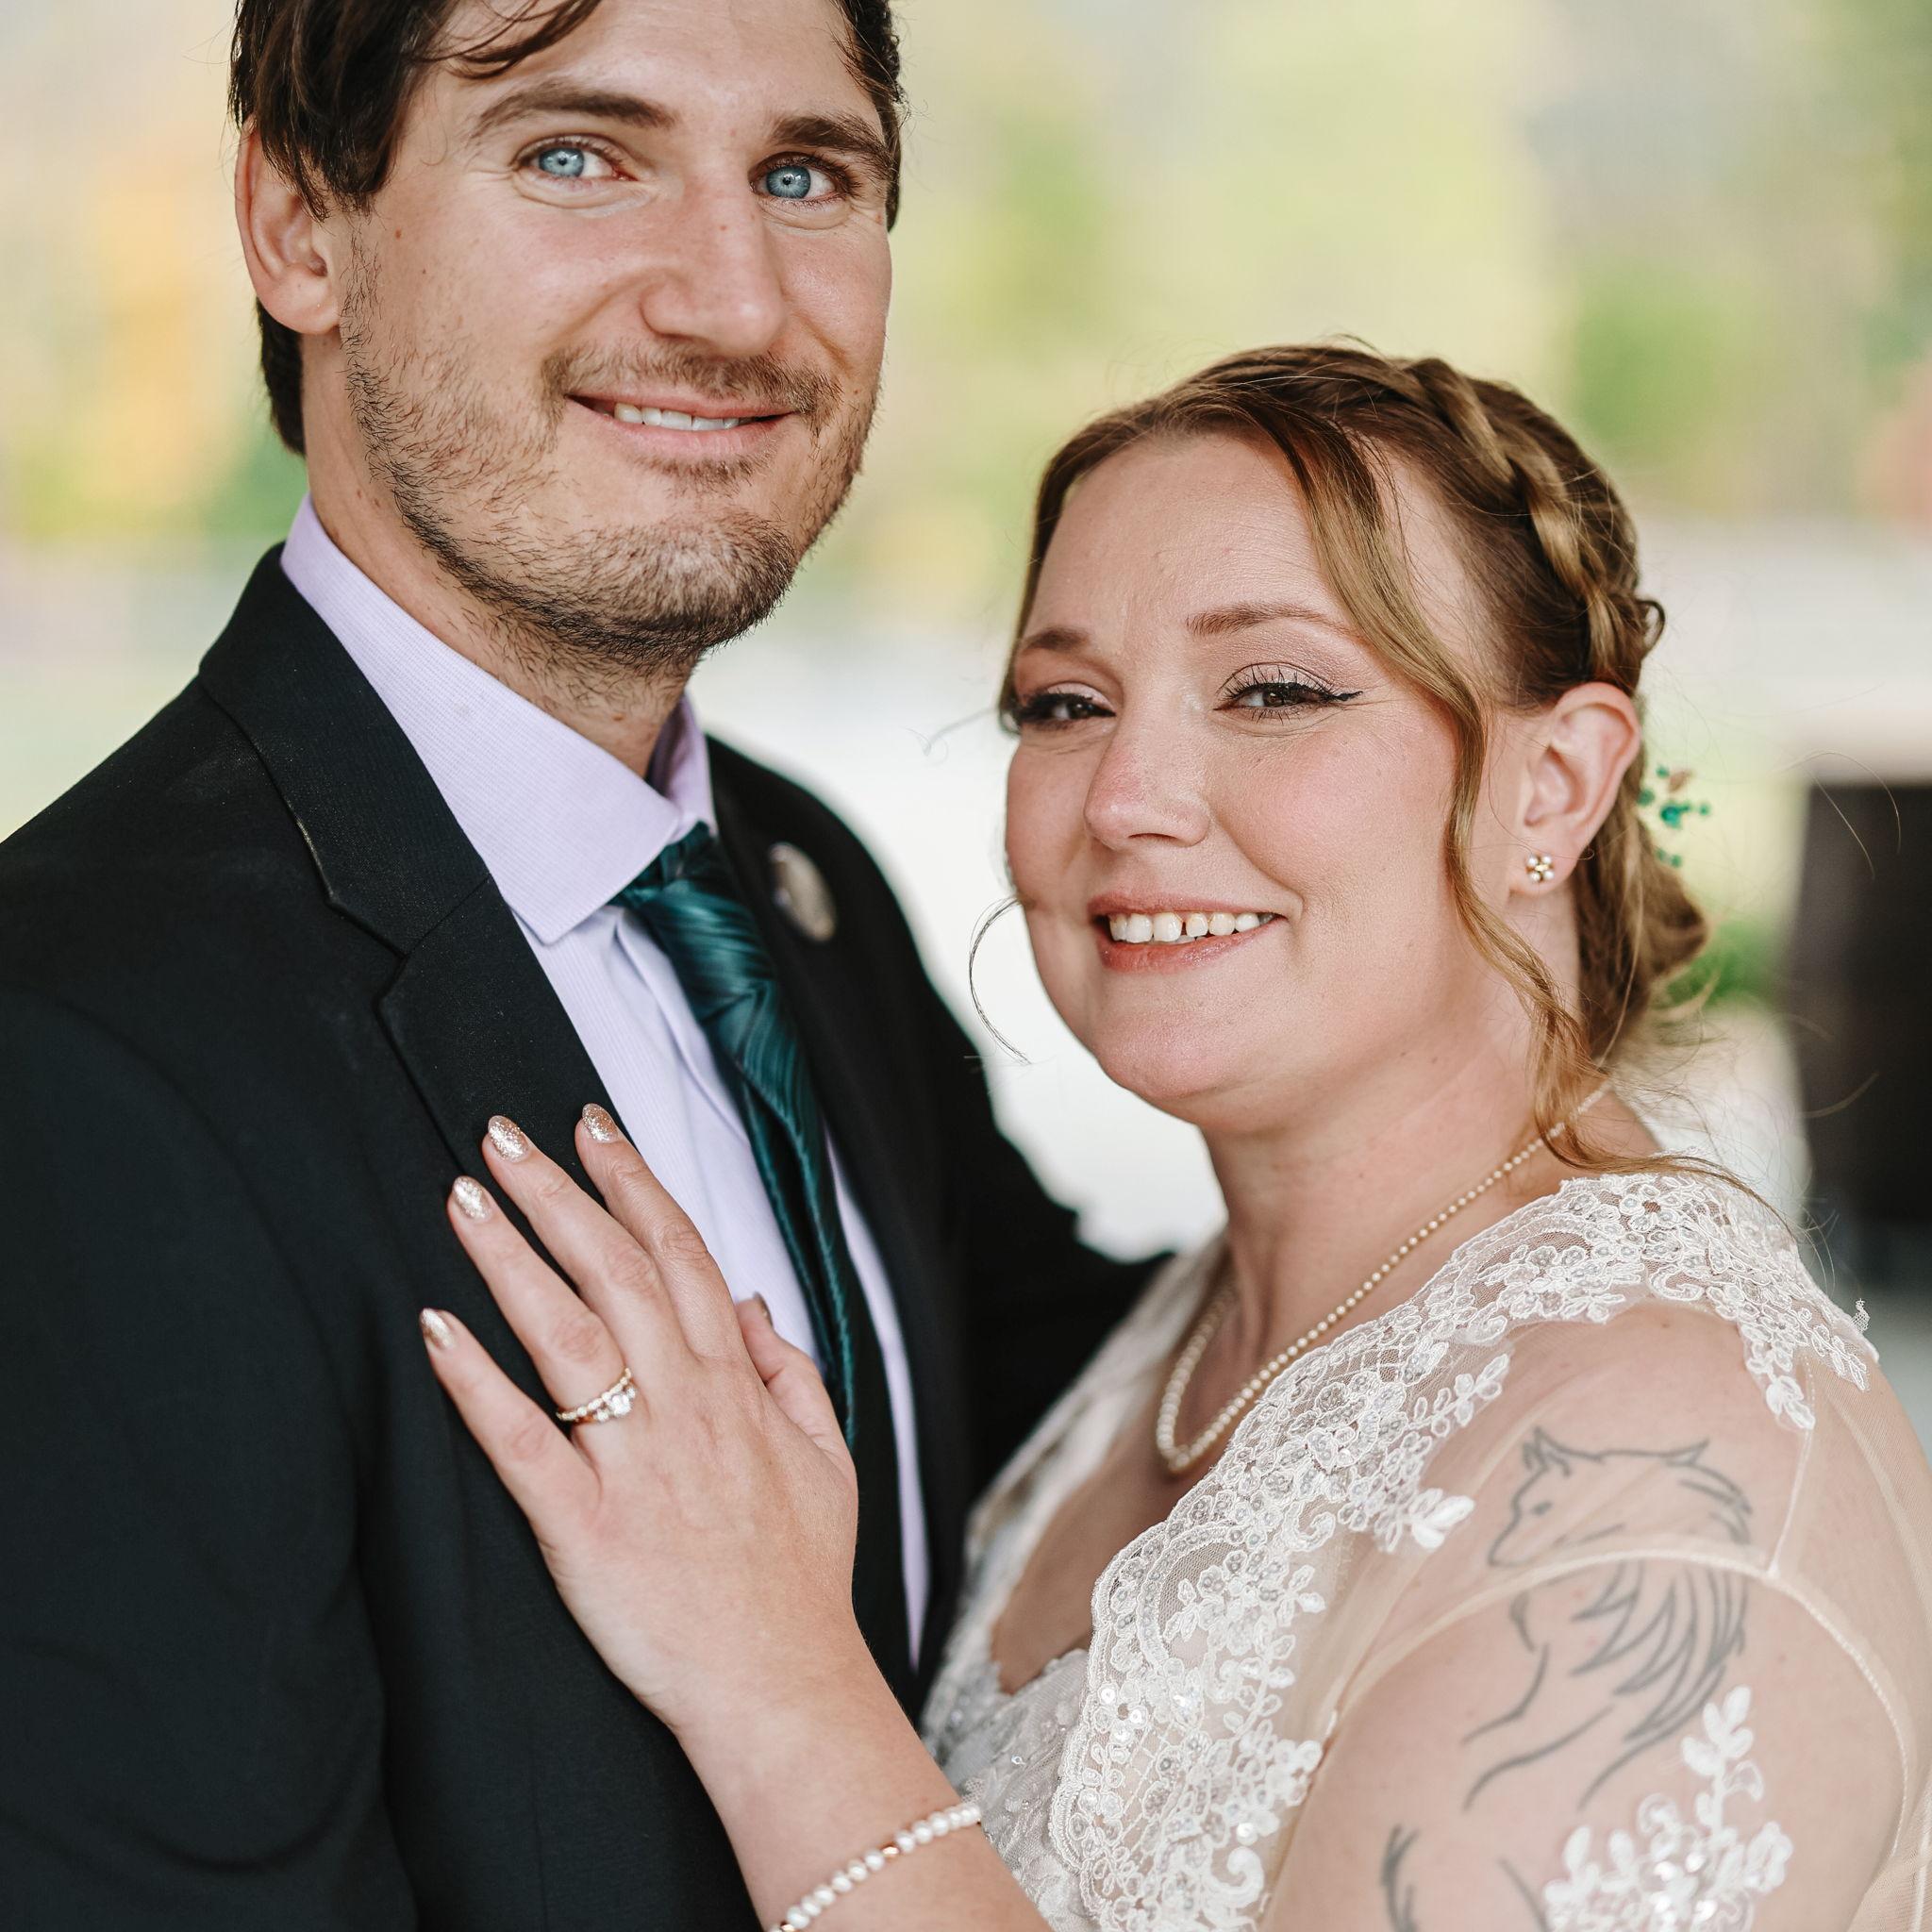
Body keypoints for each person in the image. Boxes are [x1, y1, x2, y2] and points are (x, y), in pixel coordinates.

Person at [424, 344, 1932, 1931]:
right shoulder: (1171, 1345)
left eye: (1274, 690)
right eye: (1065, 705)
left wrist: (774, 1678)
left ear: (1553, 786)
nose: (1125, 797)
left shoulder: (1667, 1466)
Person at [0, 2, 1147, 1925]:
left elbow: (1116, 1414)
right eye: (574, 155)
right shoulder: (69, 1066)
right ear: (299, 226)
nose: (734, 304)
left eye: (806, 175)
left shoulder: (787, 881)